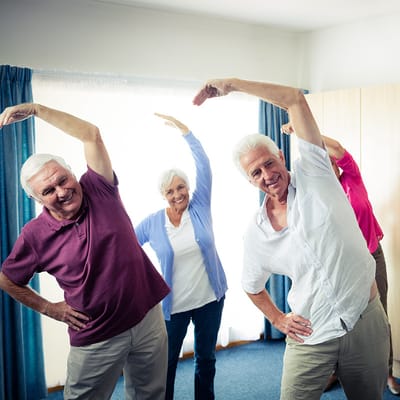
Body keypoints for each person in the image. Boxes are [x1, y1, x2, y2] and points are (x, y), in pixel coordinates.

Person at [192, 78, 390, 400]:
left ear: (282, 158)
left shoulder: (316, 174)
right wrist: (278, 318)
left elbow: (296, 99)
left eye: (269, 163)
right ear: (249, 181)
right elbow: (252, 285)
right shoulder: (257, 233)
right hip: (311, 333)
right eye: (255, 173)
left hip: (364, 318)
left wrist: (231, 85)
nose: (266, 175)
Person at [0, 103, 170, 400]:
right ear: (36, 199)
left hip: (147, 318)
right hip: (96, 335)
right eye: (48, 191)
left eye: (62, 180)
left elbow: (91, 134)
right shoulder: (34, 235)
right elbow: (7, 279)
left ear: (72, 172)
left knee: (151, 395)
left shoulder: (98, 187)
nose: (61, 192)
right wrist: (49, 308)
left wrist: (37, 110)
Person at [135, 113, 227, 400]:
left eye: (181, 187)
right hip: (172, 308)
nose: (178, 194)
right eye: (170, 190)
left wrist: (187, 133)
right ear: (163, 195)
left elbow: (204, 167)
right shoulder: (152, 222)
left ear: (188, 188)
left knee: (206, 360)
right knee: (167, 363)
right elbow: (126, 249)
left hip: (210, 300)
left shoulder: (199, 207)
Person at [314, 130, 399, 395]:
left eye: (330, 161)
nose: (328, 165)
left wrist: (307, 132)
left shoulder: (352, 178)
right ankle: (336, 371)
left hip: (372, 255)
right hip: (342, 263)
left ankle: (386, 371)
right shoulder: (318, 196)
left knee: (379, 315)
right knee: (341, 317)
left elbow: (338, 148)